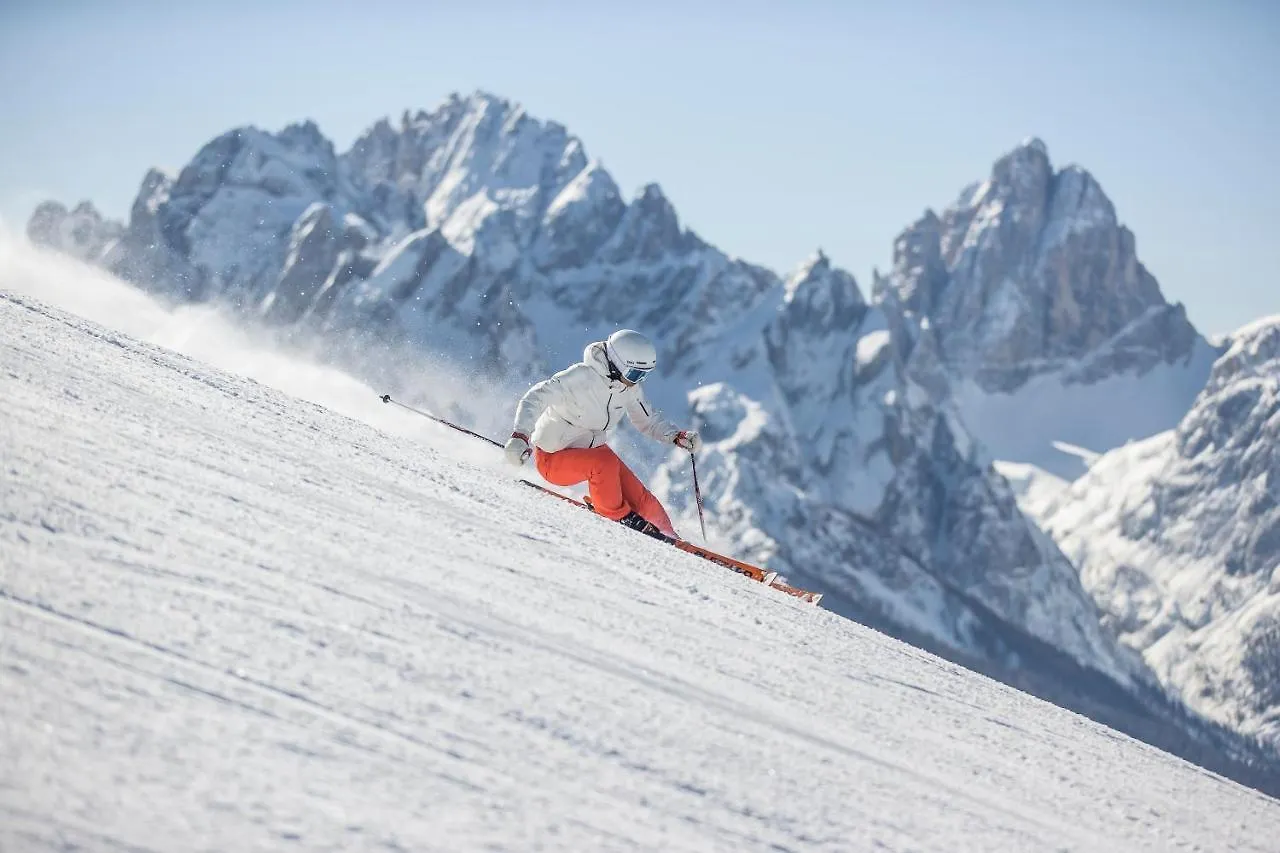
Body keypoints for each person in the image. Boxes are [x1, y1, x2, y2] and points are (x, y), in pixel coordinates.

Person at [504, 329, 701, 540]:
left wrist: (675, 436)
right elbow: (535, 397)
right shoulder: (580, 377)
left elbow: (647, 420)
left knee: (643, 500)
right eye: (634, 374)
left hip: (592, 453)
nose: (637, 381)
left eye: (643, 375)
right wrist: (520, 435)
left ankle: (669, 534)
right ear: (617, 364)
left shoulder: (628, 388)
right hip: (553, 458)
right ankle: (618, 516)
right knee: (604, 464)